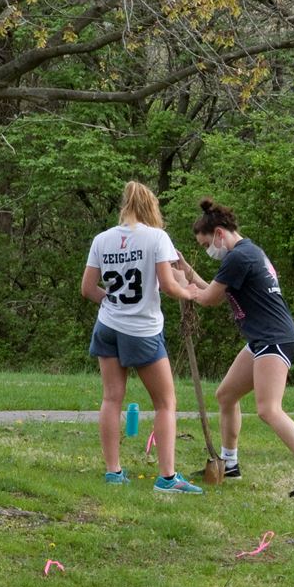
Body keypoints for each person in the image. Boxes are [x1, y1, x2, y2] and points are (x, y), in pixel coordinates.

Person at [175, 199, 294, 499]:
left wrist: (184, 289)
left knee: (268, 409)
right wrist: (189, 272)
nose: (208, 249)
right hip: (262, 339)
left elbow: (208, 298)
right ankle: (230, 463)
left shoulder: (238, 257)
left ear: (220, 233)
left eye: (207, 243)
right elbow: (214, 291)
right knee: (226, 395)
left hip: (274, 338)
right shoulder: (248, 252)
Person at [80, 181, 203, 494]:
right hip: (142, 329)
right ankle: (167, 477)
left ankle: (113, 472)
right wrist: (188, 291)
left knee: (111, 398)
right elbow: (168, 284)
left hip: (107, 326)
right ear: (151, 208)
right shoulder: (156, 237)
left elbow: (87, 289)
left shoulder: (102, 239)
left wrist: (110, 302)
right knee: (165, 402)